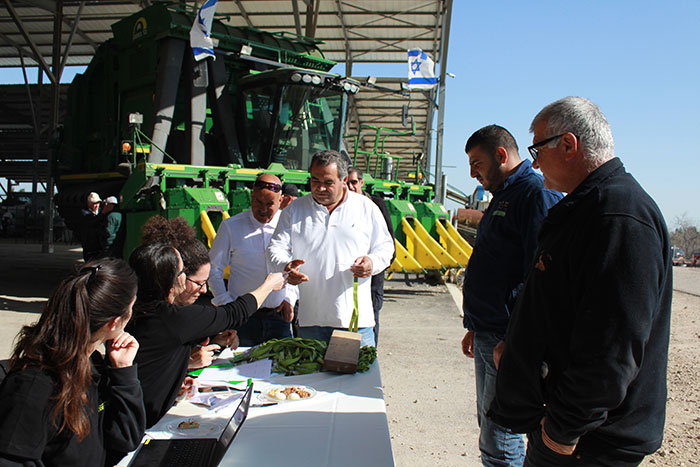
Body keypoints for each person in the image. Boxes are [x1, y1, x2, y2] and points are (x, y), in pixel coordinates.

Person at [488, 97, 672, 466]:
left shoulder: (618, 216)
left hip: (587, 443)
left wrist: (561, 431)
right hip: (571, 429)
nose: (535, 163)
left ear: (569, 145)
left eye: (537, 150)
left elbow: (612, 346)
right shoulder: (588, 208)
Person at [460, 125, 563, 466]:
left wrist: (518, 340)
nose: (472, 172)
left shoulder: (533, 195)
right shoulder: (504, 195)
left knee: (500, 436)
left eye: (476, 162)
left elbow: (540, 278)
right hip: (489, 331)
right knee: (490, 427)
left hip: (508, 337)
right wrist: (474, 323)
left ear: (501, 155)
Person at [0, 259, 146, 466]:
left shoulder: (93, 364)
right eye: (132, 306)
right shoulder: (34, 385)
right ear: (115, 322)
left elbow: (125, 441)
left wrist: (123, 373)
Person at [126, 242, 284, 427]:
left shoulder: (135, 311)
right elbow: (234, 313)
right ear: (170, 282)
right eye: (182, 272)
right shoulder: (173, 318)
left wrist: (176, 377)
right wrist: (268, 285)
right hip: (144, 423)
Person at [267, 150, 395, 346]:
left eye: (328, 182)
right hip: (311, 322)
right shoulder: (295, 210)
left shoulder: (365, 208)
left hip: (356, 324)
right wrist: (286, 266)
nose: (320, 188)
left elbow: (385, 247)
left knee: (359, 376)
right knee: (311, 377)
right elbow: (275, 248)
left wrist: (372, 262)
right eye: (315, 181)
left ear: (344, 180)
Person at [209, 174, 297, 346]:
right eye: (258, 202)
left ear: (281, 200)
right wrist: (227, 305)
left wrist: (289, 298)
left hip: (279, 319)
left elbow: (295, 267)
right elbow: (213, 269)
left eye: (269, 204)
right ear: (251, 196)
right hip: (243, 321)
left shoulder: (288, 226)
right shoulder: (231, 227)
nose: (263, 209)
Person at [140, 215, 239, 369]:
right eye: (199, 283)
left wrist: (215, 341)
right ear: (178, 276)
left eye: (206, 282)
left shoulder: (183, 310)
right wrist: (187, 363)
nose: (205, 290)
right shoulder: (157, 318)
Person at [346, 166, 395, 345]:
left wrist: (373, 265)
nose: (350, 187)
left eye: (353, 182)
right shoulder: (339, 206)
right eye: (346, 182)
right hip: (345, 282)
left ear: (361, 182)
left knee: (369, 324)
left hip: (371, 281)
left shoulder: (376, 205)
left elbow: (389, 246)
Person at [80, 192, 103, 261]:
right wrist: (102, 214)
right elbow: (92, 221)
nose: (96, 205)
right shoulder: (84, 213)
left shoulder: (100, 211)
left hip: (99, 244)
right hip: (89, 244)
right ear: (89, 203)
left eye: (98, 203)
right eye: (94, 203)